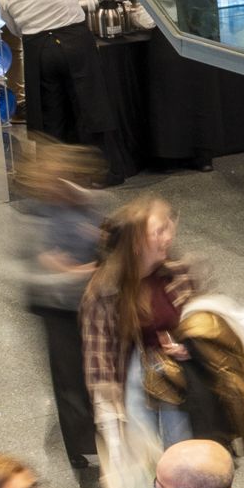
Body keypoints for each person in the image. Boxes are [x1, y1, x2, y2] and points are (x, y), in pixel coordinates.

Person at [13, 137, 107, 482]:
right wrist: (84, 271)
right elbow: (43, 269)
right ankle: (84, 455)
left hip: (91, 307)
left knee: (96, 374)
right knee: (71, 382)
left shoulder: (85, 206)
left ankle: (103, 439)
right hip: (58, 311)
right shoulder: (35, 218)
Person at [83, 193, 194, 451]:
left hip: (181, 379)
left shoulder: (178, 271)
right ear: (136, 244)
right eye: (158, 232)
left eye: (168, 227)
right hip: (136, 385)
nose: (168, 237)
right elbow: (98, 360)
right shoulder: (104, 292)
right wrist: (110, 425)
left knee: (184, 453)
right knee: (146, 458)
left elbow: (202, 322)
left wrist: (190, 347)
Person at [0, 0, 108, 163]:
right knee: (88, 105)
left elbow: (14, 28)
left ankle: (58, 172)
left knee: (49, 115)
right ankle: (101, 168)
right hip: (75, 41)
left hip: (39, 50)